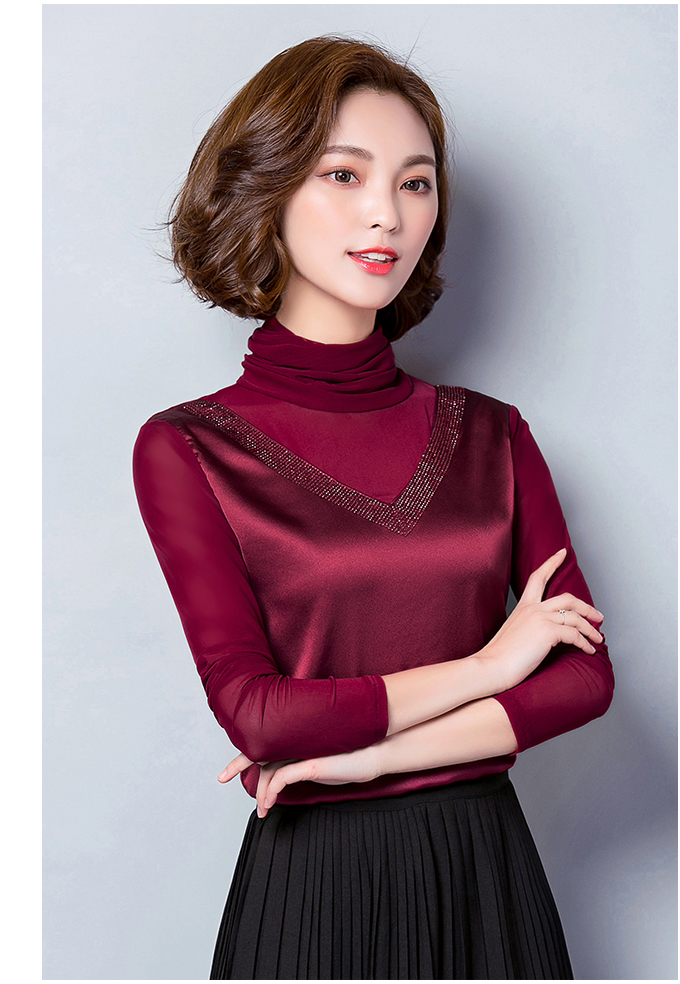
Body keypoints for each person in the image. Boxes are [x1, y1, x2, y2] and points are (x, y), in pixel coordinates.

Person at [133, 36, 614, 981]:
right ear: (267, 191)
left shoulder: (492, 434)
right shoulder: (190, 447)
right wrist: (488, 666)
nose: (386, 213)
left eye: (415, 183)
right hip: (316, 886)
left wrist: (367, 760)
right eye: (343, 175)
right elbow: (259, 717)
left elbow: (581, 680)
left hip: (484, 874)